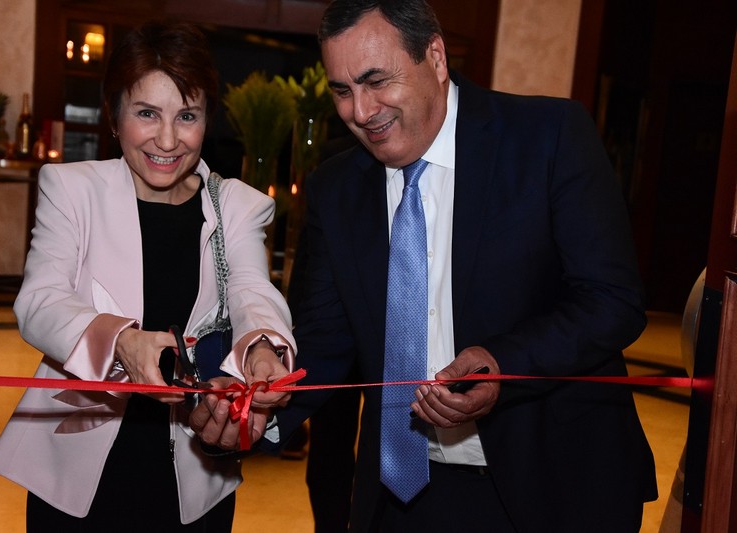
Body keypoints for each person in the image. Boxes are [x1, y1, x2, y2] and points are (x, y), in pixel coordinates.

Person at [193, 0, 658, 531]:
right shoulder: (335, 187)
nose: (360, 111)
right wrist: (260, 403)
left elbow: (612, 301)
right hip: (403, 495)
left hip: (554, 484)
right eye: (342, 91)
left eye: (376, 81)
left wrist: (502, 363)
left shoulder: (548, 137)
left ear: (435, 57)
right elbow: (326, 339)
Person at [0, 20, 295, 532]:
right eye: (147, 113)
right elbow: (40, 301)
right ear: (114, 115)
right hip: (78, 464)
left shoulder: (238, 205)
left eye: (187, 116)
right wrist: (120, 341)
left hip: (193, 468)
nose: (167, 139)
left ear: (207, 119)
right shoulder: (72, 189)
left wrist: (262, 345)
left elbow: (250, 290)